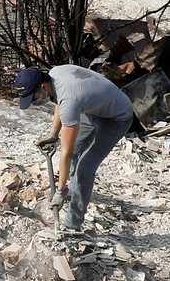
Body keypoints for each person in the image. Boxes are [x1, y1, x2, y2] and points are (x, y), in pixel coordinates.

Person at [16, 64, 135, 233]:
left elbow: (66, 152)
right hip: (94, 110)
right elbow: (60, 100)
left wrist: (60, 190)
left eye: (33, 97)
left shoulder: (69, 100)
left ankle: (73, 224)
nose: (34, 100)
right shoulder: (54, 75)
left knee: (84, 169)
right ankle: (75, 189)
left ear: (43, 87)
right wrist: (53, 134)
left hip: (118, 117)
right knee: (78, 148)